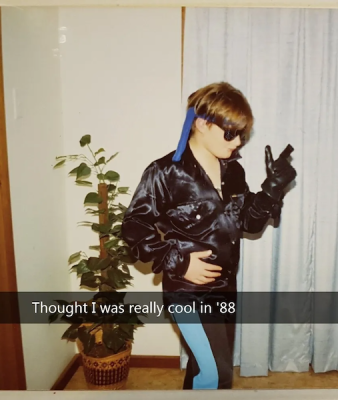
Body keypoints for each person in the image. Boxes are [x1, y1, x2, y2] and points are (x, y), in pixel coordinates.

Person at [120, 81, 297, 390]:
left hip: (225, 287)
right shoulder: (165, 172)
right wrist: (178, 261)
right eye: (231, 133)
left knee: (205, 367)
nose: (238, 142)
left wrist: (272, 189)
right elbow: (134, 226)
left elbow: (249, 223)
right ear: (202, 123)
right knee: (217, 374)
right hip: (187, 291)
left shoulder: (234, 172)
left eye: (242, 134)